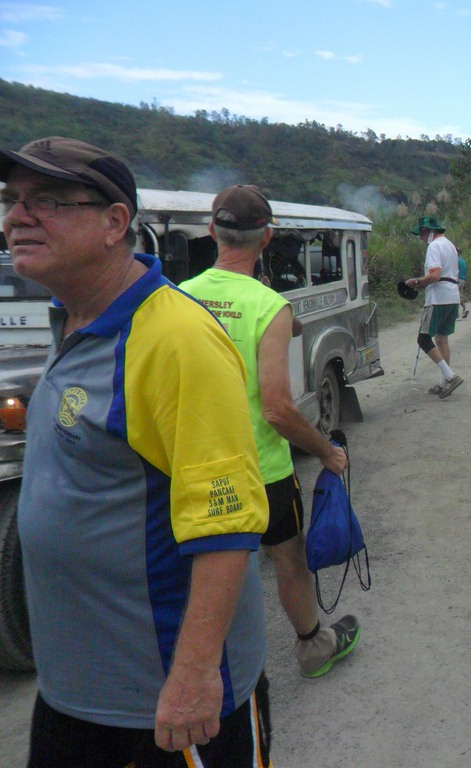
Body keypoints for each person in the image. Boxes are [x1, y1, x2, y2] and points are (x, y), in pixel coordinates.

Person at [1, 137, 272, 765]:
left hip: (164, 706)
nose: (18, 216)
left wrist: (194, 677)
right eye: (12, 199)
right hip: (75, 692)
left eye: (48, 201)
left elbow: (227, 524)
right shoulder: (73, 316)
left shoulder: (176, 339)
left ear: (114, 222)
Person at [180, 185, 361, 680]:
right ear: (267, 238)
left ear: (212, 231)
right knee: (288, 557)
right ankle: (313, 647)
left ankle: (203, 663)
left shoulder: (179, 298)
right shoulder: (268, 306)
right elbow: (278, 409)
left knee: (208, 566)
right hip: (263, 470)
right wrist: (326, 451)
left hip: (196, 468)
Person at [406, 216, 463, 398]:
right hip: (452, 296)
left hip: (438, 297)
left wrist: (416, 282)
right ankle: (443, 382)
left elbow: (435, 275)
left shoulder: (434, 246)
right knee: (441, 339)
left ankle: (450, 376)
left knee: (423, 339)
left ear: (426, 232)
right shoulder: (450, 245)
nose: (421, 238)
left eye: (421, 234)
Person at [456, 249, 469, 319]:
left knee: (455, 296)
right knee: (460, 296)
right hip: (463, 280)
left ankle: (456, 314)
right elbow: (465, 272)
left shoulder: (455, 261)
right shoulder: (463, 261)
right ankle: (465, 309)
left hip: (457, 280)